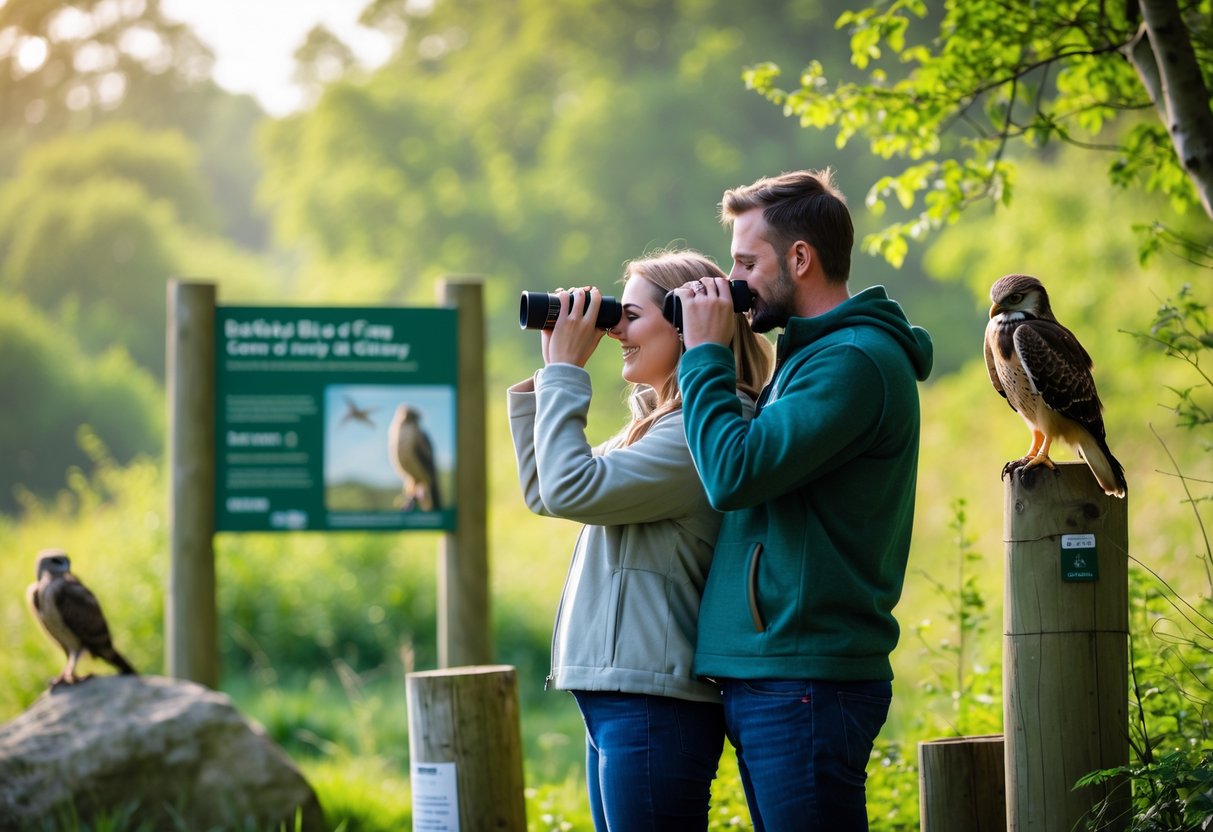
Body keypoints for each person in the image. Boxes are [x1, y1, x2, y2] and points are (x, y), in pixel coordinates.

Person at [670, 169, 934, 831]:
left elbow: (733, 474)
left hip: (807, 676)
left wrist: (703, 354)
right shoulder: (810, 357)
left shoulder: (853, 362)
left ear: (799, 258)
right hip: (779, 671)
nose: (733, 280)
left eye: (744, 262)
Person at [507, 249, 774, 831]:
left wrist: (568, 375)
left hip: (655, 701)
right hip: (622, 693)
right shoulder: (654, 428)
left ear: (685, 322)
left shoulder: (700, 430)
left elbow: (572, 488)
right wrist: (550, 369)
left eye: (629, 315)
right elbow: (545, 490)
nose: (615, 331)